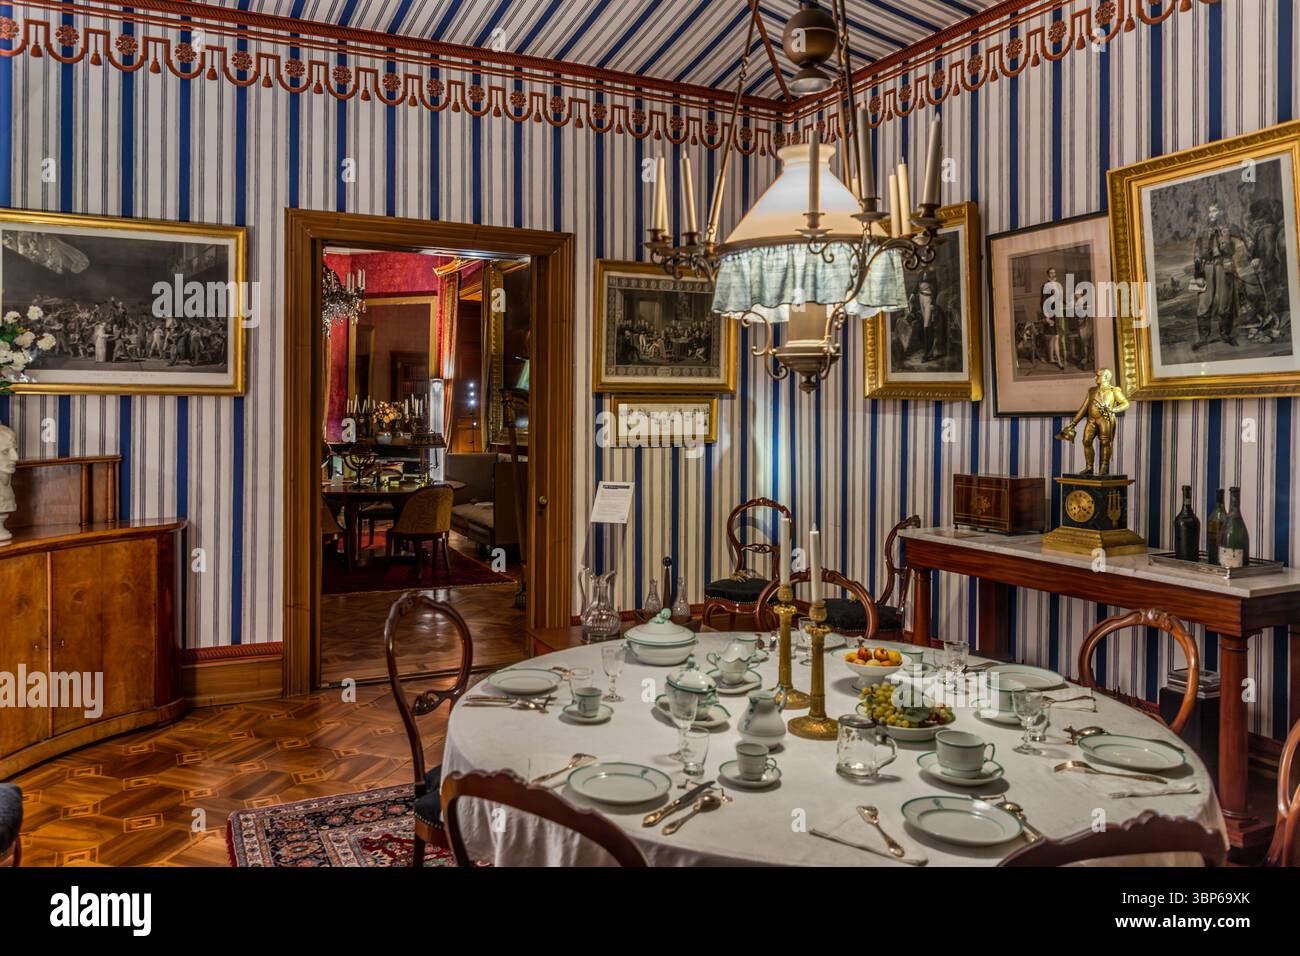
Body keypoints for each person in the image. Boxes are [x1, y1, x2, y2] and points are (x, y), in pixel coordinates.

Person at [1191, 201, 1256, 350]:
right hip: (1206, 268)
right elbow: (1196, 251)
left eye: (1214, 211)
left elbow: (1248, 238)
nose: (1211, 214)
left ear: (1221, 212)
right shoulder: (1203, 231)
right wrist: (1197, 271)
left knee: (1225, 302)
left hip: (1224, 267)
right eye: (1210, 212)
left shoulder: (1230, 228)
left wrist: (1254, 256)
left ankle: (1225, 334)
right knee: (1203, 303)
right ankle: (1203, 338)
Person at [1055, 368, 1130, 476]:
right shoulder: (1092, 391)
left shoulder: (1114, 391)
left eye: (1098, 375)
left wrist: (1113, 410)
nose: (1095, 377)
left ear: (1106, 377)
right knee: (1086, 441)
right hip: (1092, 421)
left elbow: (1125, 403)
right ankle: (1089, 467)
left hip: (1105, 420)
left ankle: (1104, 467)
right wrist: (1073, 423)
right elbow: (1083, 408)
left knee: (1105, 442)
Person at [1040, 267, 1065, 369]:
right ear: (1048, 275)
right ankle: (1058, 361)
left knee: (1054, 337)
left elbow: (1060, 299)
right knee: (1054, 337)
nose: (1053, 274)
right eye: (1051, 273)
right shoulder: (1045, 286)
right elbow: (1043, 301)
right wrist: (1046, 317)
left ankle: (1052, 358)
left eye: (1054, 272)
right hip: (1050, 313)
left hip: (1057, 313)